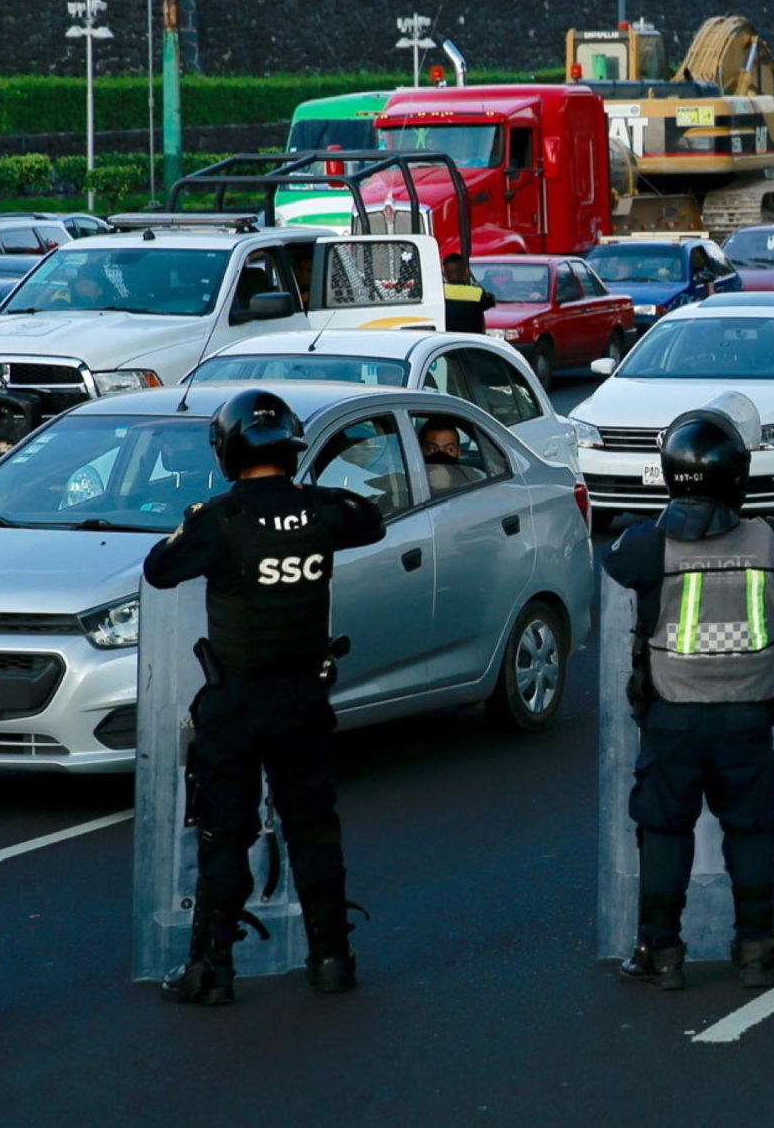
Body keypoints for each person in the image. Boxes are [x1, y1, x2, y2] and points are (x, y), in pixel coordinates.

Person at [142, 389, 386, 1004]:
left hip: (237, 703)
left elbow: (158, 569)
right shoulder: (323, 510)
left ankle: (211, 969)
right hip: (304, 698)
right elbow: (370, 518)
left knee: (225, 833)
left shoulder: (218, 519)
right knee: (313, 829)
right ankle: (333, 958)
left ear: (229, 449)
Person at [603, 411, 774, 992]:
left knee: (664, 830)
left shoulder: (645, 546)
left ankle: (661, 953)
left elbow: (614, 560)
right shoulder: (771, 539)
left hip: (674, 713)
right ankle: (756, 950)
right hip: (749, 714)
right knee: (753, 829)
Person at [442, 254, 491, 334]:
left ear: (445, 275)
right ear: (467, 272)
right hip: (472, 341)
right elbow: (490, 302)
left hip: (447, 342)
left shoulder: (439, 293)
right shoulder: (478, 293)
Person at [419, 419, 472, 495]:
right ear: (421, 450)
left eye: (449, 449)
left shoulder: (472, 481)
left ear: (459, 452)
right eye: (433, 449)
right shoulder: (409, 480)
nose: (441, 455)